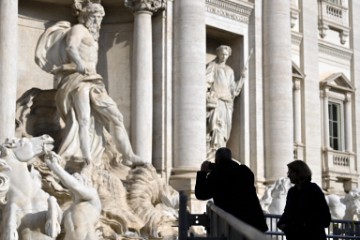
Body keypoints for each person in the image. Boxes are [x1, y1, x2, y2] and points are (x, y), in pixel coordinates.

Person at [35, 1, 142, 166]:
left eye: (100, 17)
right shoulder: (79, 29)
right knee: (83, 119)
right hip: (77, 79)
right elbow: (71, 46)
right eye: (94, 17)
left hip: (93, 80)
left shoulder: (93, 35)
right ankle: (87, 158)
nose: (97, 21)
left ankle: (128, 155)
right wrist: (78, 62)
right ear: (85, 17)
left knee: (116, 117)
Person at [195, 147, 268, 232]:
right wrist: (218, 167)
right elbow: (231, 172)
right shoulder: (244, 171)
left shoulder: (216, 175)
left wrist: (202, 173)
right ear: (230, 157)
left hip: (233, 226)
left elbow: (201, 194)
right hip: (254, 222)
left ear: (216, 160)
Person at [44, 150, 101, 240]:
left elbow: (75, 186)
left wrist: (54, 166)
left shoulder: (92, 199)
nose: (73, 179)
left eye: (77, 178)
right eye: (72, 178)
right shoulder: (68, 211)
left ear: (85, 183)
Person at [206, 45, 245, 156]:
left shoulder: (230, 70)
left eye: (226, 54)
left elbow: (233, 89)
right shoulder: (212, 66)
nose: (224, 56)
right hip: (217, 100)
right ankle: (214, 152)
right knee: (217, 125)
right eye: (222, 54)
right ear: (218, 54)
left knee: (225, 129)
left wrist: (242, 79)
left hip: (227, 103)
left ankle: (221, 150)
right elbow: (206, 81)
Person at [277, 160, 331, 240]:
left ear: (299, 173)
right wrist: (282, 224)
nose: (288, 176)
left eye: (291, 173)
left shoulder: (313, 189)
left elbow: (324, 217)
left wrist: (303, 225)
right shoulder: (292, 192)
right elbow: (288, 212)